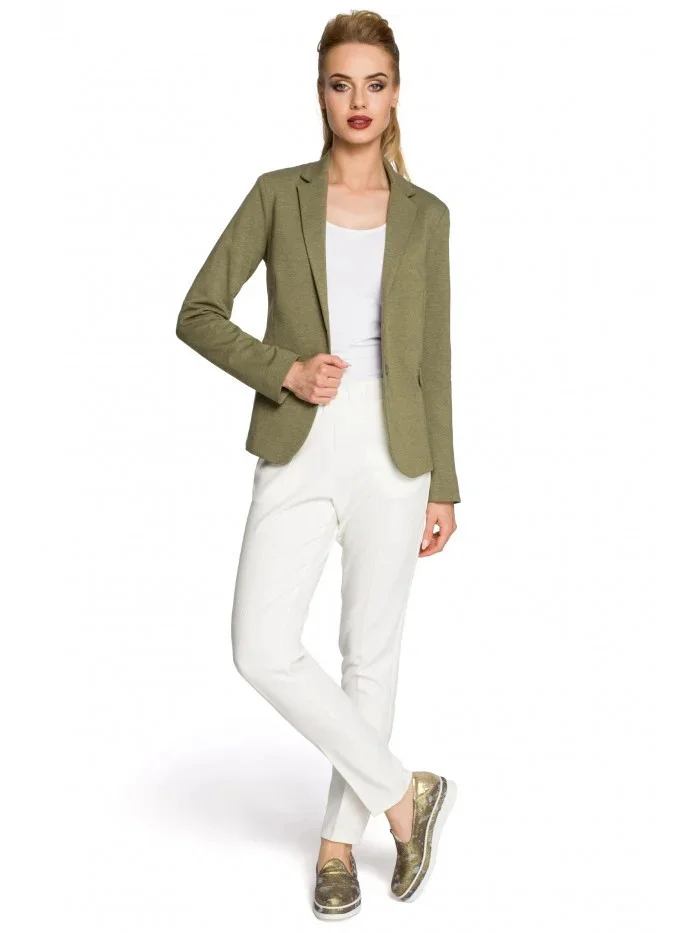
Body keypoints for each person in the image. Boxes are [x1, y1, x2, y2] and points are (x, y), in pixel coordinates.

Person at [175, 10, 459, 920]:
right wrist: (285, 369)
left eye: (375, 83)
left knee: (369, 652)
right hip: (300, 434)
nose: (358, 101)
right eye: (342, 84)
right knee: (260, 645)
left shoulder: (427, 216)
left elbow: (434, 356)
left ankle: (339, 846)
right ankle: (404, 793)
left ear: (397, 93)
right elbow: (198, 311)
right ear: (322, 94)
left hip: (396, 447)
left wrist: (445, 481)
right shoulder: (277, 194)